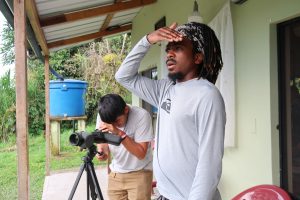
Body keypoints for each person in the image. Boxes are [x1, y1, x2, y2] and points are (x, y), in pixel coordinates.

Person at [115, 22, 226, 200]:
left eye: (178, 48)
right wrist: (148, 40)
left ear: (197, 57)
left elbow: (210, 163)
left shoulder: (207, 96)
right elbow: (123, 76)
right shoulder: (165, 89)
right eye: (168, 49)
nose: (169, 54)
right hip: (165, 195)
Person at [95, 94, 154, 200]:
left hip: (140, 173)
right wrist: (102, 152)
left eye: (117, 121)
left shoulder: (141, 116)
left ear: (126, 109)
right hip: (116, 174)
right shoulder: (104, 116)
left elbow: (141, 153)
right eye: (110, 123)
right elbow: (103, 142)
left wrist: (119, 133)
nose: (114, 125)